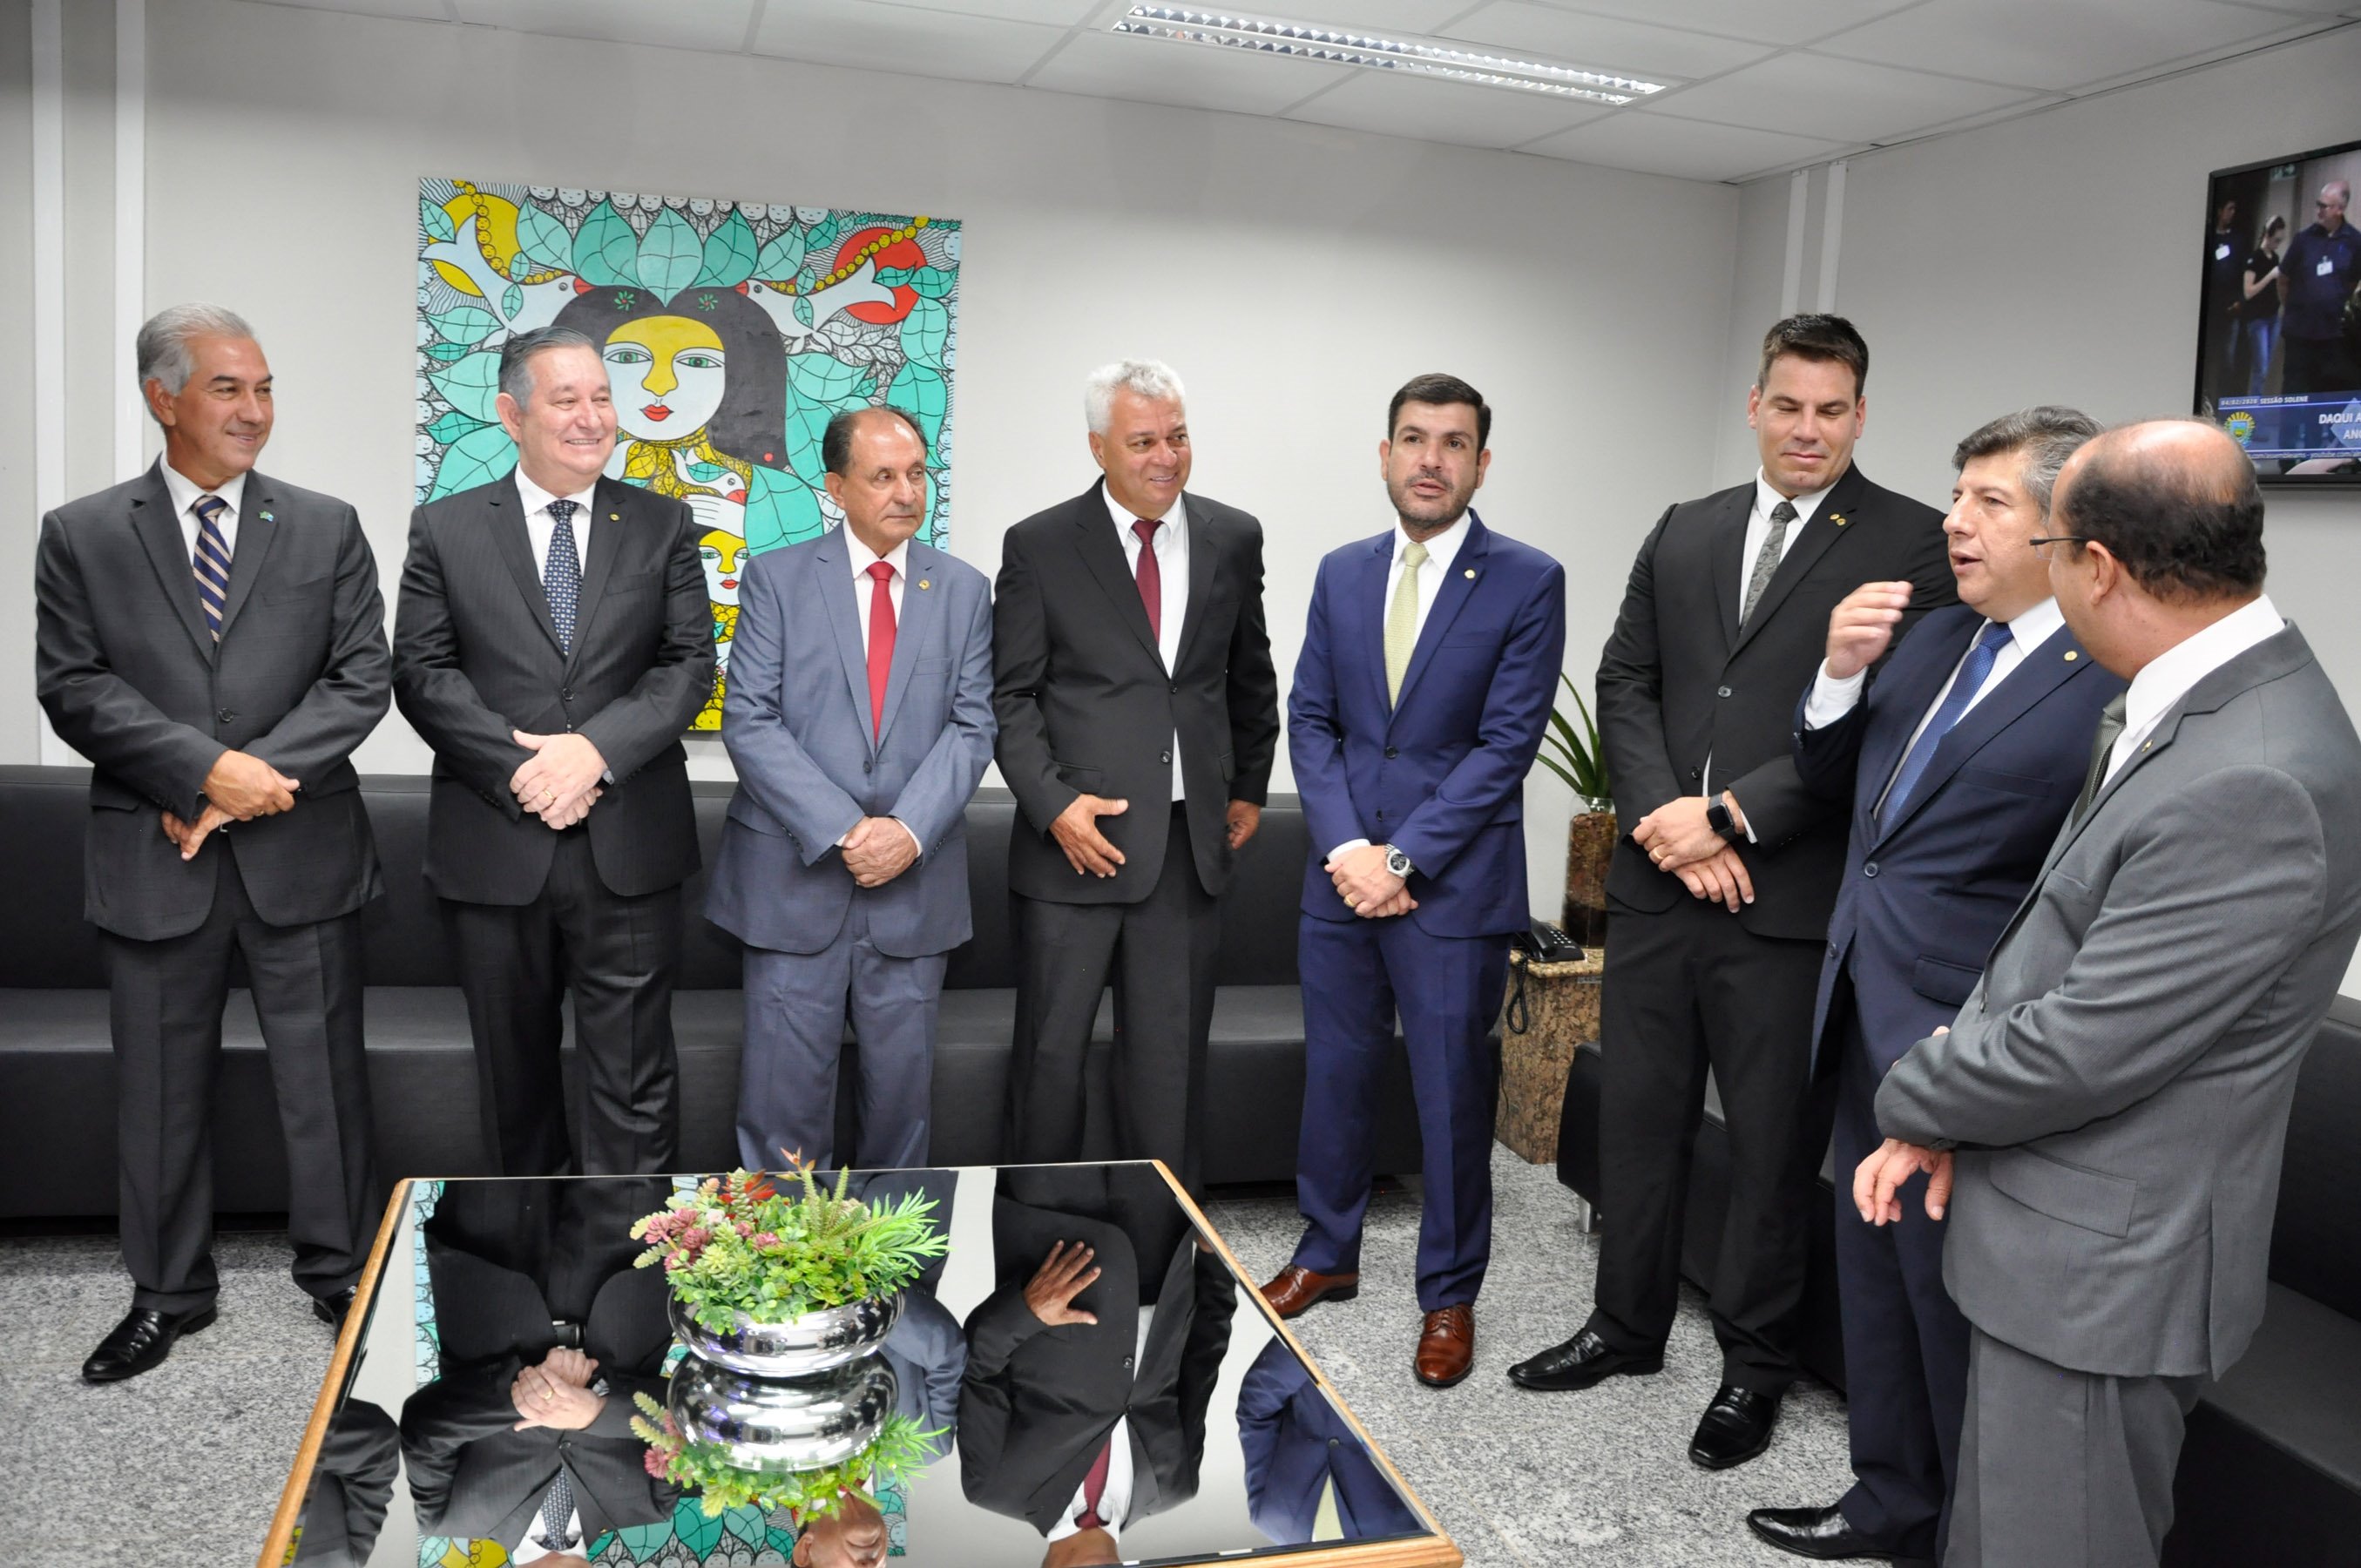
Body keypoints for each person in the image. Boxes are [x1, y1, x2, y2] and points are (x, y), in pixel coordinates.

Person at [1856, 421, 2361, 1567]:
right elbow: (2057, 938)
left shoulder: (2256, 777)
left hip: (2101, 1282)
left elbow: (2083, 1043)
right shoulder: (2196, 695)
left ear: (2095, 567)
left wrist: (1914, 1095)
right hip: (2060, 1247)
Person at [1509, 315, 1954, 1470]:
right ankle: (1623, 1327)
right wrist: (1668, 821)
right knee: (1638, 1120)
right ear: (1754, 406)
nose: (1807, 429)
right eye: (1787, 406)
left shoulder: (1911, 543)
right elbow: (1626, 678)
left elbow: (1884, 726)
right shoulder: (1685, 527)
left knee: (1768, 1150)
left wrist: (1729, 816)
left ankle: (1754, 1368)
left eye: (1831, 410)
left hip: (1783, 903)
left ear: (1860, 416)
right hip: (1660, 890)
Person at [1745, 408, 2121, 1566]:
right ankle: (1889, 1503)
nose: (1954, 522)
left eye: (1987, 503)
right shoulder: (1929, 636)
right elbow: (1832, 780)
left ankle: (1967, 1535)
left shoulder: (2106, 677)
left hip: (1969, 1041)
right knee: (1873, 1278)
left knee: (1948, 1303)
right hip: (1861, 1005)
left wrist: (1986, 1041)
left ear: (2065, 529)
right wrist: (1833, 674)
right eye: (1956, 495)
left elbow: (2080, 893)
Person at [37, 303, 391, 1382]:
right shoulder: (83, 533)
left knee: (326, 1086)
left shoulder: (325, 524)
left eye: (265, 388)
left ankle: (342, 1276)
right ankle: (167, 1295)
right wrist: (199, 771)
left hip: (301, 847)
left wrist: (246, 784)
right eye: (228, 388)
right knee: (157, 1090)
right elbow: (75, 686)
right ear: (163, 398)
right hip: (155, 854)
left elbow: (360, 678)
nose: (254, 410)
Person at [1256, 373, 1565, 1389]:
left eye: (1453, 442)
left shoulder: (1526, 579)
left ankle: (1449, 1294)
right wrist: (1349, 849)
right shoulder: (1342, 571)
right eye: (1414, 439)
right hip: (1340, 881)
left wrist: (1402, 858)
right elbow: (1311, 720)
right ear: (1384, 454)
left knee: (1450, 1097)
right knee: (1336, 1079)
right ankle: (1326, 1252)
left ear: (1482, 462)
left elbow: (1506, 743)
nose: (1431, 459)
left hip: (1451, 889)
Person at [393, 326, 714, 1177]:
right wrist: (527, 772)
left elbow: (689, 666)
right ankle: (532, 1247)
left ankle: (630, 1251)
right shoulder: (446, 528)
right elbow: (422, 673)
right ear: (513, 415)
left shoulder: (664, 523)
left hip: (630, 843)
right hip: (496, 844)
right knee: (515, 1081)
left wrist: (593, 754)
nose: (591, 417)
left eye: (601, 397)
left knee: (636, 1082)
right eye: (567, 399)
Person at [991, 360, 1280, 1193]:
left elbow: (1251, 676)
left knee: (1169, 1072)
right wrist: (1054, 806)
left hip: (1186, 852)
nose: (1166, 457)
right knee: (1051, 1062)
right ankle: (1038, 1238)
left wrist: (1248, 787)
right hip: (1072, 848)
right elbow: (1009, 697)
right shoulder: (1040, 544)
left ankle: (1163, 1247)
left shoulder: (1234, 536)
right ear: (1099, 448)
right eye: (1144, 441)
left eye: (1178, 437)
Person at [707, 406, 995, 1172]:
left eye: (917, 474)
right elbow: (750, 721)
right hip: (793, 882)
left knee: (901, 1112)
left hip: (914, 888)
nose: (907, 492)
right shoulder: (777, 579)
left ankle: (895, 1254)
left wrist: (906, 830)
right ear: (837, 487)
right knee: (781, 1113)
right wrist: (846, 828)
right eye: (883, 476)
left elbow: (973, 726)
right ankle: (781, 1251)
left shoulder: (963, 589)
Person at [957, 1165, 1237, 1565]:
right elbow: (1202, 1360)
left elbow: (976, 1368)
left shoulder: (993, 1488)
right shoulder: (1176, 1486)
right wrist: (1216, 1263)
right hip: (1161, 1240)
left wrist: (1027, 1312)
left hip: (1054, 1227)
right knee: (1166, 1126)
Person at [399, 1178, 679, 1558]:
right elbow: (692, 1419)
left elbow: (424, 1429)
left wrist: (523, 1398)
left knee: (500, 1149)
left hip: (489, 1273)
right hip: (625, 1268)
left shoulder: (447, 1518)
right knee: (633, 1145)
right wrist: (597, 1409)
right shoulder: (649, 1507)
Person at [1236, 1338, 1422, 1544]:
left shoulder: (1271, 1517)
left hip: (1316, 1342)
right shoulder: (1409, 1540)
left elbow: (1255, 1414)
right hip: (1410, 1359)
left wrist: (1306, 1347)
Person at [2279, 179, 2360, 400]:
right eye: (2318, 204)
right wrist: (2294, 307)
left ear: (2340, 209)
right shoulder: (2303, 239)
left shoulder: (2355, 241)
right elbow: (2284, 278)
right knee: (2294, 393)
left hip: (2332, 336)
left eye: (2325, 206)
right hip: (2299, 333)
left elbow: (2352, 283)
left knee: (2326, 395)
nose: (2319, 210)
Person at [2241, 215, 2287, 397]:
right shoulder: (2255, 258)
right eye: (2276, 240)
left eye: (2280, 241)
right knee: (2261, 368)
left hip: (2273, 316)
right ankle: (2253, 406)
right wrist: (2270, 276)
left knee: (2265, 368)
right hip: (2257, 319)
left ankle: (2257, 402)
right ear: (2268, 235)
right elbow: (2248, 292)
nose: (2277, 244)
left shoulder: (2275, 257)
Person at [2204, 197, 2245, 402]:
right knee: (2208, 358)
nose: (2232, 213)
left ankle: (2224, 401)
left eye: (2234, 209)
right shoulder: (2208, 237)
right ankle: (2206, 401)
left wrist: (2239, 300)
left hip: (2230, 309)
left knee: (2227, 359)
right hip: (2211, 311)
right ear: (2219, 211)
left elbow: (2241, 271)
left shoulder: (2237, 239)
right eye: (2229, 209)